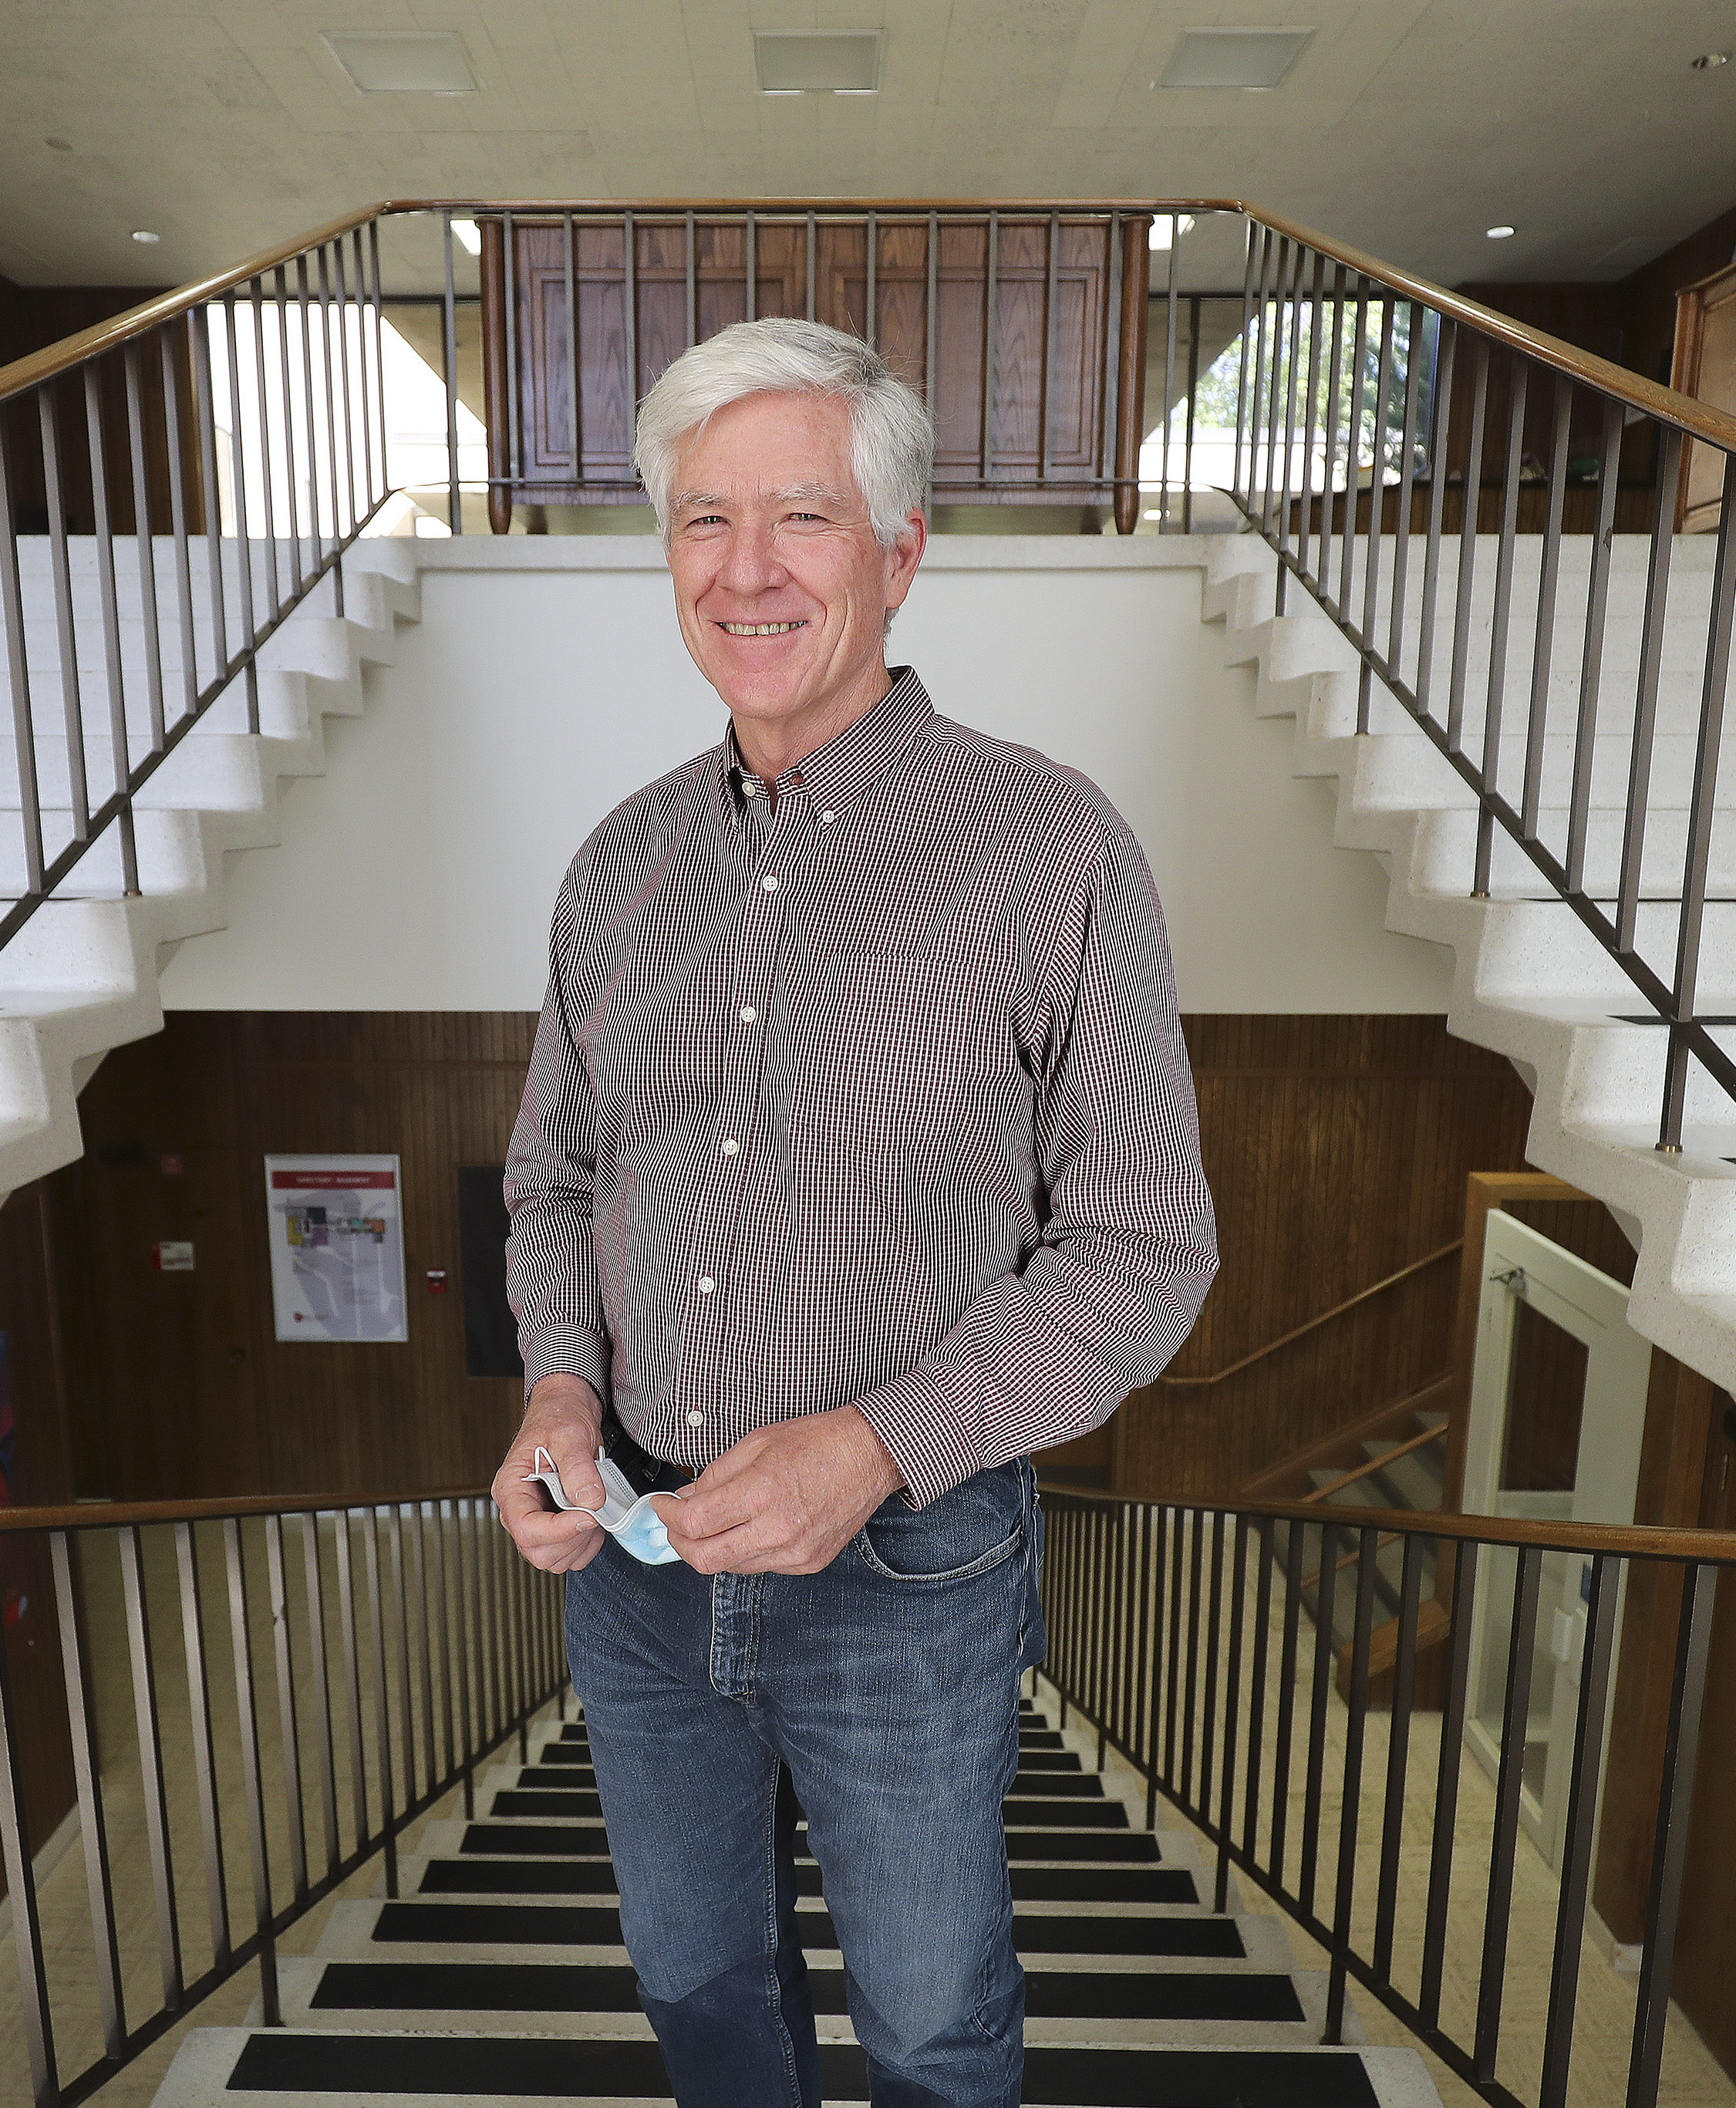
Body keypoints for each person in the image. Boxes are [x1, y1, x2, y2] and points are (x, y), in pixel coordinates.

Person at [492, 316, 1219, 2108]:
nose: (745, 572)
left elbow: (1141, 1248)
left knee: (929, 2015)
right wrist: (561, 1394)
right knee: (693, 1984)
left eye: (799, 517)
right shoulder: (615, 863)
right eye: (700, 521)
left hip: (912, 1565)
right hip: (637, 1568)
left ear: (897, 555)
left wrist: (876, 1444)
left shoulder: (1049, 846)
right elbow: (555, 1177)